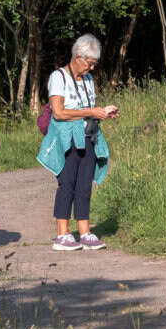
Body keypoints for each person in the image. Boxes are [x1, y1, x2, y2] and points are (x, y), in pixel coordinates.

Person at [37, 34, 116, 252]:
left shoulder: (89, 80)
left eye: (94, 64)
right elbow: (59, 112)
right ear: (78, 57)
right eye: (89, 63)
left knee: (85, 184)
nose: (91, 68)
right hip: (66, 137)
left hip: (89, 135)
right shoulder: (58, 77)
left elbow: (88, 107)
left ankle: (85, 232)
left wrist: (103, 112)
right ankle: (62, 235)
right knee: (68, 183)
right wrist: (90, 112)